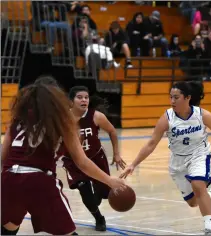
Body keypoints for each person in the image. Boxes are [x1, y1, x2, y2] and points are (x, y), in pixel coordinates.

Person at [1, 82, 126, 235]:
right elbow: (82, 162)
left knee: (9, 228)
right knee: (67, 232)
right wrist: (110, 180)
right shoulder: (62, 122)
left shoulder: (17, 121)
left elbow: (3, 157)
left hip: (9, 180)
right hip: (40, 181)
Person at [120, 81, 211, 235]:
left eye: (176, 97)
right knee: (193, 202)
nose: (172, 101)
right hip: (177, 161)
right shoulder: (167, 118)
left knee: (198, 185)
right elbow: (152, 143)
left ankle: (209, 228)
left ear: (187, 98)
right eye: (171, 97)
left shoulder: (202, 115)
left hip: (199, 155)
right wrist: (133, 164)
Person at [60, 86, 126, 231]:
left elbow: (112, 131)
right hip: (73, 161)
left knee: (103, 195)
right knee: (85, 190)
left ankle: (96, 195)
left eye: (86, 97)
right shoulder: (63, 119)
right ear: (71, 101)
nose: (84, 100)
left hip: (96, 158)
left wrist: (116, 153)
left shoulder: (96, 116)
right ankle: (99, 218)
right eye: (80, 97)